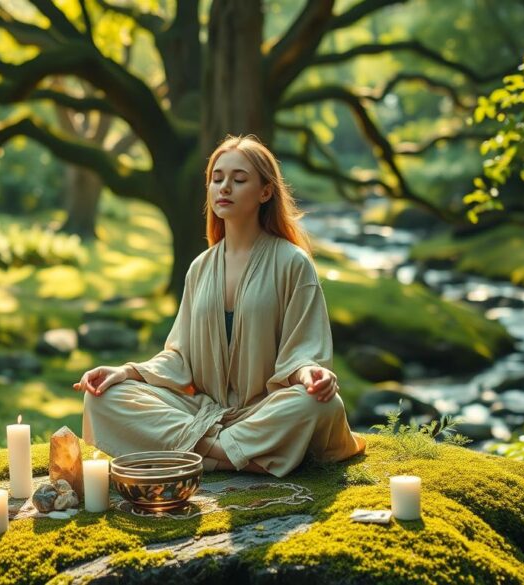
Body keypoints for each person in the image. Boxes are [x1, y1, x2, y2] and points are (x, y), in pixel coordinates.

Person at [74, 134, 366, 477]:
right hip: (203, 410)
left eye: (239, 180)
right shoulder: (200, 268)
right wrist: (126, 372)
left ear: (265, 192)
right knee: (102, 397)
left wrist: (310, 375)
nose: (224, 187)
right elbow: (179, 357)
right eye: (217, 179)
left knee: (320, 405)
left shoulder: (293, 263)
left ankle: (200, 453)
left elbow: (304, 351)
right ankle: (238, 456)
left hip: (265, 410)